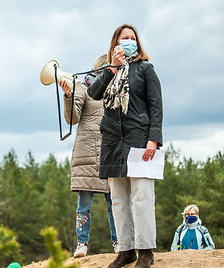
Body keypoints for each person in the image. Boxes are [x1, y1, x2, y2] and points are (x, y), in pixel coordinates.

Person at [87, 24, 163, 268]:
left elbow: (156, 106)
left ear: (137, 43)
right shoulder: (107, 70)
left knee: (142, 196)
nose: (129, 42)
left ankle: (145, 251)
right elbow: (94, 94)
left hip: (139, 139)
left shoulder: (145, 69)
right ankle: (126, 249)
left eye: (133, 38)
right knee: (118, 199)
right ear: (115, 44)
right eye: (124, 38)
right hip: (112, 140)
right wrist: (111, 69)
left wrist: (154, 138)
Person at [58, 54, 119, 258]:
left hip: (110, 152)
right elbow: (72, 117)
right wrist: (68, 96)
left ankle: (119, 243)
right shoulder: (82, 87)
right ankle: (81, 244)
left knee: (115, 203)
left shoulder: (117, 89)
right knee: (84, 205)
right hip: (86, 154)